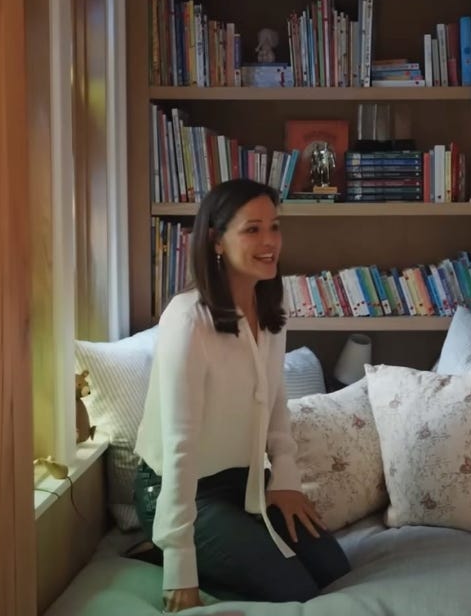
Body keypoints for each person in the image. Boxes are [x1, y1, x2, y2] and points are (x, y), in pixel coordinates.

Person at [133, 179, 350, 611]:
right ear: (216, 240)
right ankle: (162, 546)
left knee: (332, 570)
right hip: (180, 488)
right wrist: (181, 563)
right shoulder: (187, 320)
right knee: (294, 591)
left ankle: (224, 547)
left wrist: (284, 482)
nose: (269, 242)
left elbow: (275, 403)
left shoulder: (271, 310)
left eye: (275, 227)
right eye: (252, 230)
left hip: (245, 483)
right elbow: (180, 446)